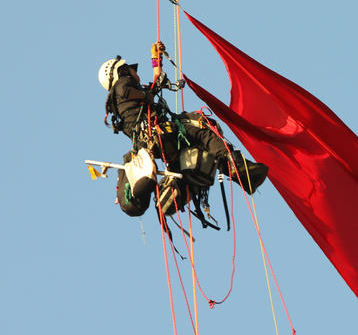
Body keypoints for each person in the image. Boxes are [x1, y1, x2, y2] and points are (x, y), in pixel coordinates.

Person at [97, 56, 268, 221]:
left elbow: (155, 83)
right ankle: (234, 165)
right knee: (202, 131)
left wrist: (156, 59)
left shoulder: (124, 101)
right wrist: (146, 96)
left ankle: (171, 193)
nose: (135, 72)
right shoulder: (123, 84)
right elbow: (128, 90)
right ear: (122, 71)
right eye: (131, 69)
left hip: (151, 144)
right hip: (159, 133)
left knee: (190, 159)